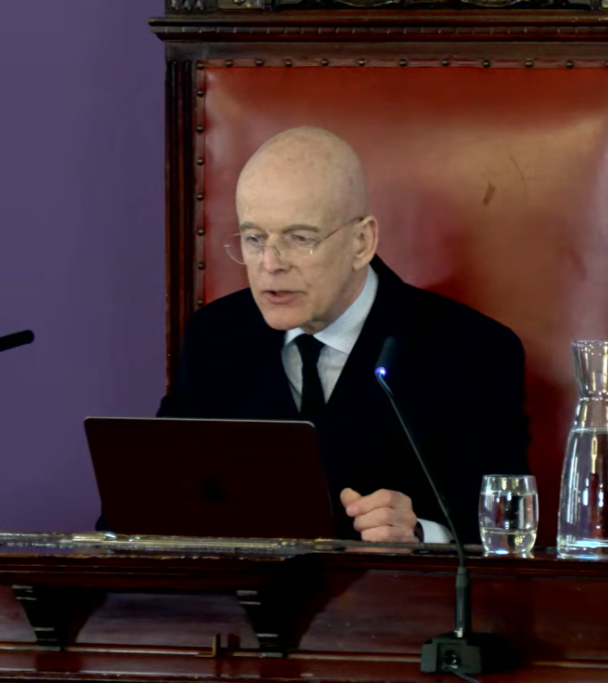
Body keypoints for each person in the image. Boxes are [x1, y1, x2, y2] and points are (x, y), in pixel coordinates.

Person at [157, 126, 528, 543]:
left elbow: (506, 531)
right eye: (254, 238)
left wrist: (422, 534)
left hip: (397, 602)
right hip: (243, 602)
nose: (270, 263)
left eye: (299, 239)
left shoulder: (472, 351)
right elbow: (158, 498)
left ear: (361, 242)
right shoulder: (217, 336)